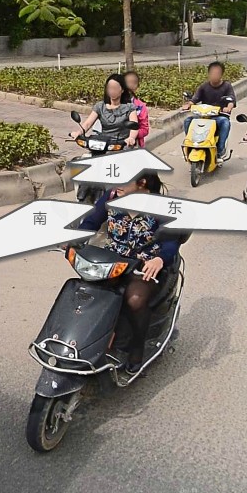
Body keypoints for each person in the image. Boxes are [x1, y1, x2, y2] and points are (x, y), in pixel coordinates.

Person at [76, 172, 181, 376]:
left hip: (145, 265)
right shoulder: (110, 198)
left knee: (135, 299)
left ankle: (136, 350)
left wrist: (160, 259)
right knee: (86, 291)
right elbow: (90, 222)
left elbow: (171, 241)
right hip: (112, 261)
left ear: (142, 183)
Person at [180, 61, 236, 164]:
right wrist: (189, 105)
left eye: (217, 73)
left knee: (225, 122)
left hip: (218, 116)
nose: (214, 75)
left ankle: (220, 150)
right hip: (203, 116)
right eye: (212, 73)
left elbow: (231, 100)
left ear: (221, 74)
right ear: (209, 74)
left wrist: (228, 107)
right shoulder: (204, 86)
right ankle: (191, 144)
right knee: (188, 120)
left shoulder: (227, 86)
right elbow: (195, 99)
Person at [70, 74, 140, 147]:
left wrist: (131, 138)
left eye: (115, 88)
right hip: (103, 144)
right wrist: (78, 132)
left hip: (122, 145)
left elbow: (134, 126)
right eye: (110, 88)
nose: (112, 91)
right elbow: (87, 124)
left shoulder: (130, 107)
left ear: (122, 90)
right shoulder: (100, 106)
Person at [123, 70, 150, 148]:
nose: (130, 85)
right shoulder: (112, 102)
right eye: (127, 82)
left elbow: (145, 129)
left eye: (133, 83)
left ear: (137, 86)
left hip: (133, 145)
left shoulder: (140, 106)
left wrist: (132, 134)